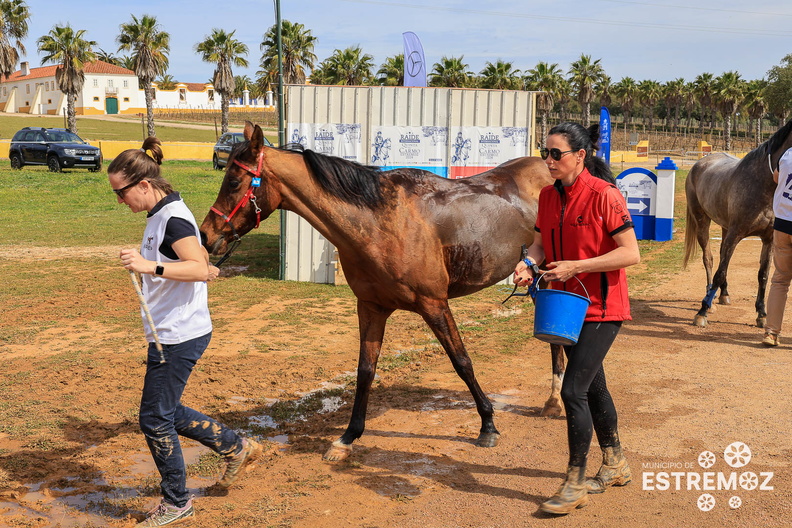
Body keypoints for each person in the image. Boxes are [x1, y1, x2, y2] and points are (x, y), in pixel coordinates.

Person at [109, 137, 263, 527]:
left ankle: (177, 502)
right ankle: (235, 446)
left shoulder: (173, 217)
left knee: (154, 418)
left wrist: (149, 267)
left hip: (179, 336)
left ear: (143, 185)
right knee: (165, 409)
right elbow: (200, 262)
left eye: (121, 193)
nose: (119, 202)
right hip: (169, 333)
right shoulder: (160, 216)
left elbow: (198, 268)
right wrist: (152, 263)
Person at [513, 122, 640, 515]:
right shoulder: (548, 197)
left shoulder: (606, 196)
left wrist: (577, 266)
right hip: (564, 307)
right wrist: (527, 263)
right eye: (545, 152)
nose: (548, 160)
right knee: (592, 384)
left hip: (603, 308)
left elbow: (630, 253)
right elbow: (539, 242)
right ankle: (616, 463)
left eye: (556, 154)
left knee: (572, 391)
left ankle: (574, 482)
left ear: (580, 156)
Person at [762, 146, 792, 347]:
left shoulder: (787, 154)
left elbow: (776, 178)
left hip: (782, 225)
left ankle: (772, 332)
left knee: (780, 280)